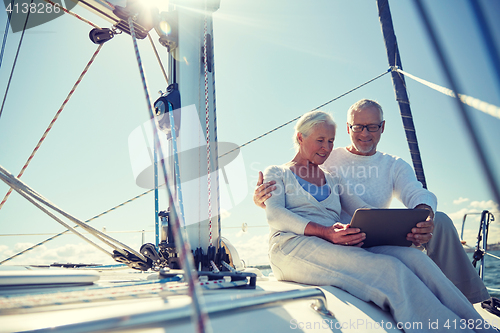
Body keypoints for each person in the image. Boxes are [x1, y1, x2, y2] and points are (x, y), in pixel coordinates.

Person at [264, 110, 494, 333]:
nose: (326, 148)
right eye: (320, 140)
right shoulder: (277, 172)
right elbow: (275, 214)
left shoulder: (332, 177)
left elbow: (363, 209)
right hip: (291, 245)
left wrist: (401, 224)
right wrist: (325, 232)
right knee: (389, 270)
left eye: (331, 141)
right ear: (300, 137)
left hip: (335, 242)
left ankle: (480, 327)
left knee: (416, 259)